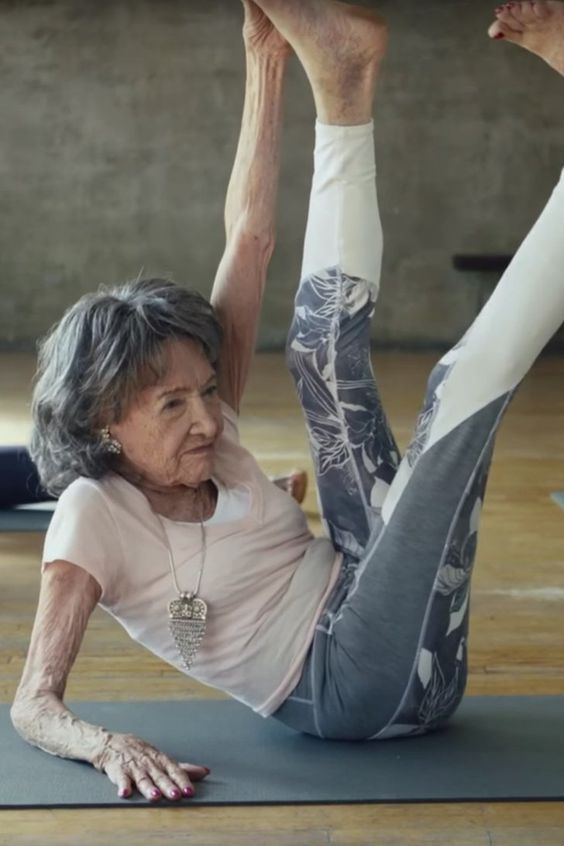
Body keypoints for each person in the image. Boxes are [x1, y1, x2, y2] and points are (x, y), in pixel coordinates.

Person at [9, 0, 564, 804]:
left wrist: (263, 58)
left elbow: (250, 238)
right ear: (104, 420)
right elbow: (33, 704)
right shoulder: (93, 516)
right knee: (459, 391)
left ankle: (340, 82)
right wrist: (106, 746)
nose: (207, 417)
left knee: (317, 352)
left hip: (378, 599)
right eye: (171, 407)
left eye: (207, 390)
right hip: (359, 687)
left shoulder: (205, 431)